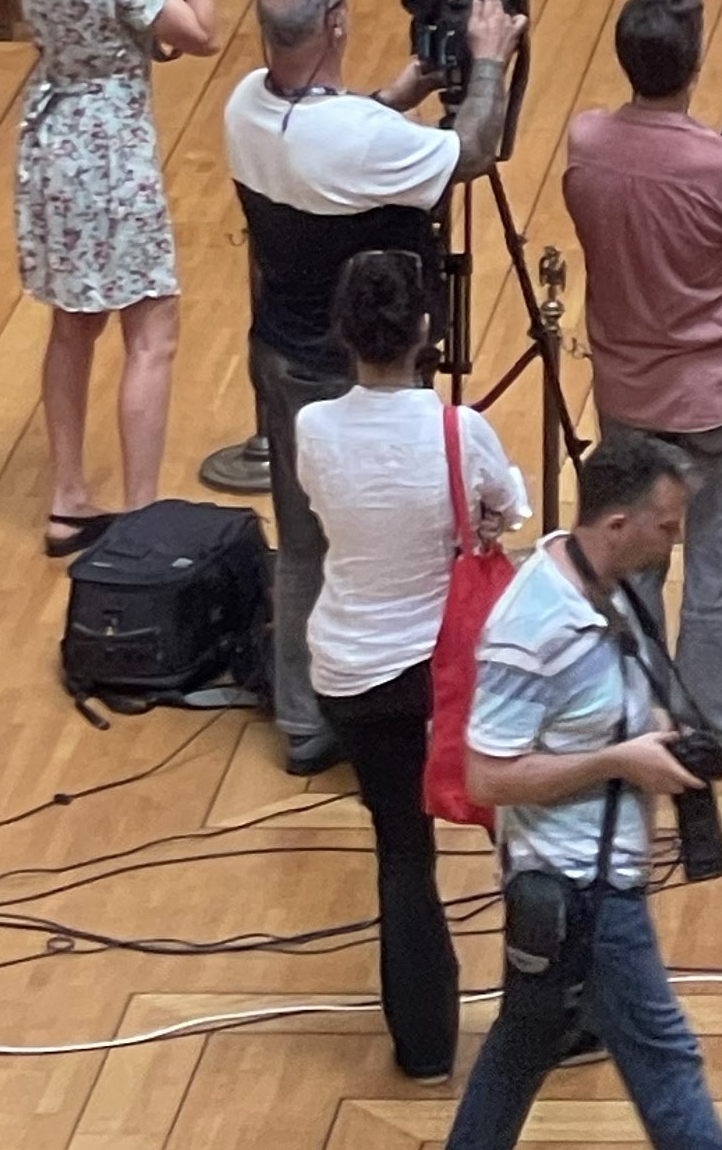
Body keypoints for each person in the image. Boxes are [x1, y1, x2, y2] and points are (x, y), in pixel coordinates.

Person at [228, 0, 522, 774]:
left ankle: (303, 720)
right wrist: (490, 62)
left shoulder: (246, 106)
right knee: (395, 541)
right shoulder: (357, 144)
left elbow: (337, 135)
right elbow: (469, 153)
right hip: (353, 372)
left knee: (299, 542)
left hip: (277, 354)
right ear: (333, 25)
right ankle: (409, 704)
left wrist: (398, 94)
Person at [447, 433, 722, 1150]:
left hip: (584, 882)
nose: (676, 538)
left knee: (522, 1044)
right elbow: (485, 776)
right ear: (617, 525)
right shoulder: (531, 630)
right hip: (581, 888)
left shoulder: (599, 583)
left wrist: (650, 728)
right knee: (666, 1063)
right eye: (666, 526)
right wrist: (621, 762)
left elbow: (592, 707)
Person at [296, 247, 528, 1082]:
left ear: (344, 336)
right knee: (522, 836)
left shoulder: (312, 428)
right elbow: (508, 509)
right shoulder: (457, 429)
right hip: (448, 668)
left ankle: (424, 1047)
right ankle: (550, 1019)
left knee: (402, 848)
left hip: (352, 670)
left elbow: (328, 510)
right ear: (427, 330)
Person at [562, 0, 722, 777]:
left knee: (634, 570)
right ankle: (712, 736)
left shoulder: (588, 140)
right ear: (694, 64)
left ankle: (631, 717)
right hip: (716, 400)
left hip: (626, 394)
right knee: (715, 574)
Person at [13, 0, 217, 556]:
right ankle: (142, 515)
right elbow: (201, 32)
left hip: (49, 138)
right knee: (152, 332)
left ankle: (68, 500)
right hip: (112, 154)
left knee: (72, 323)